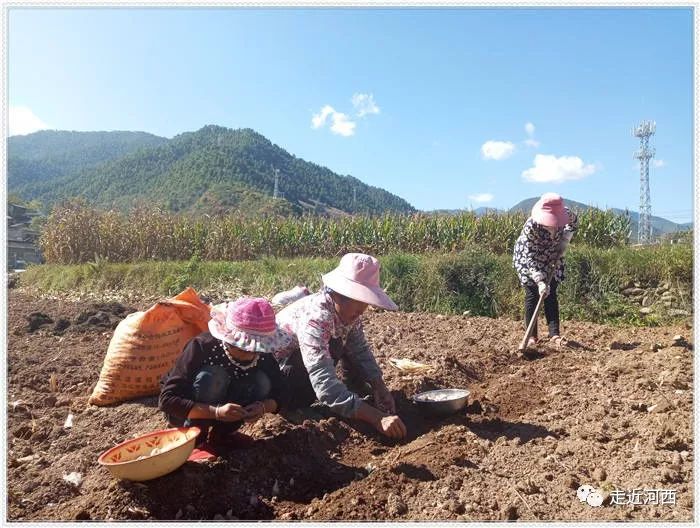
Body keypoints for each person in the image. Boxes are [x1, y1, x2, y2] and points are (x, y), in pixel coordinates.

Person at [274, 253, 407, 440]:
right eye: (358, 300)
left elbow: (360, 350)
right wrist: (376, 418)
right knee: (329, 349)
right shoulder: (316, 318)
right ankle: (291, 407)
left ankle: (353, 391)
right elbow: (324, 383)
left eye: (366, 302)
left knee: (342, 344)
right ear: (339, 295)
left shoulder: (348, 315)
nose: (363, 309)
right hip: (277, 376)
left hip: (302, 366)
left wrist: (379, 386)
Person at [159, 297, 291, 462]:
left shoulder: (261, 355)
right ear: (229, 339)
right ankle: (195, 441)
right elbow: (168, 400)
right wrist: (215, 412)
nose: (250, 354)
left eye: (255, 349)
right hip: (189, 409)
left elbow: (283, 391)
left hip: (228, 403)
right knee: (212, 377)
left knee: (261, 381)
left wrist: (264, 407)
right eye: (244, 348)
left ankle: (223, 434)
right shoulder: (202, 346)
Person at [512, 193, 578, 349]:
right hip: (529, 258)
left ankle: (554, 334)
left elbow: (574, 224)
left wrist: (564, 240)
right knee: (533, 294)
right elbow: (530, 257)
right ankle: (532, 337)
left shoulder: (567, 214)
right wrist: (540, 281)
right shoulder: (531, 226)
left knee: (551, 293)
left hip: (553, 256)